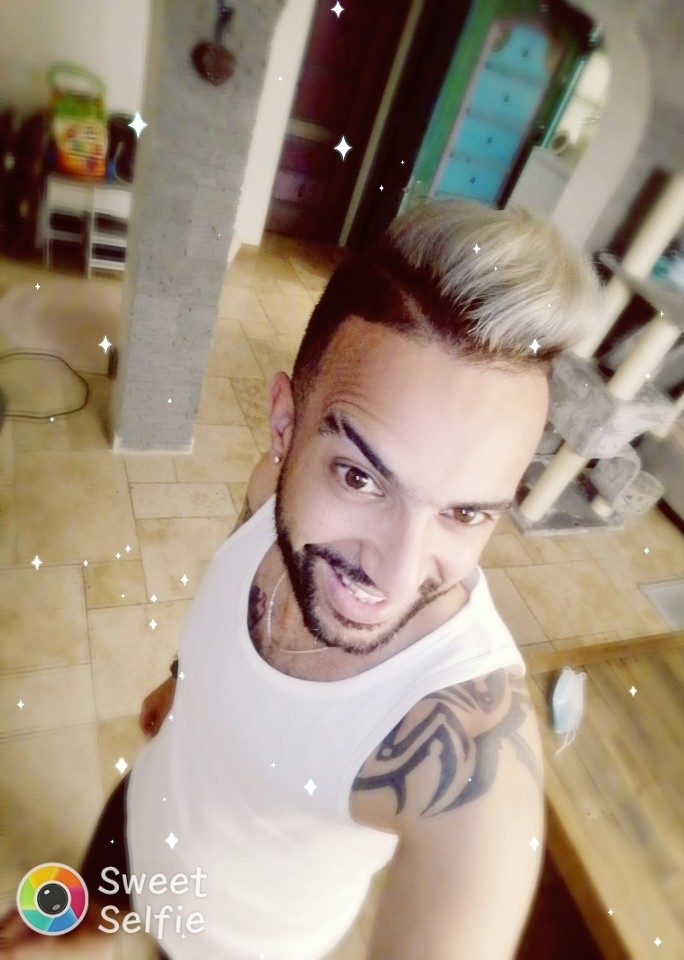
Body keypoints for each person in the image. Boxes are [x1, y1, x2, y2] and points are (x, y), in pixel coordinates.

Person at [1, 199, 601, 959]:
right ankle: (84, 920)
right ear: (284, 425)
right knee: (92, 895)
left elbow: (475, 873)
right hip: (141, 812)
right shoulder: (268, 494)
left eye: (464, 514)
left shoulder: (468, 746)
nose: (395, 572)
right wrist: (183, 679)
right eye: (359, 477)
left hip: (221, 947)